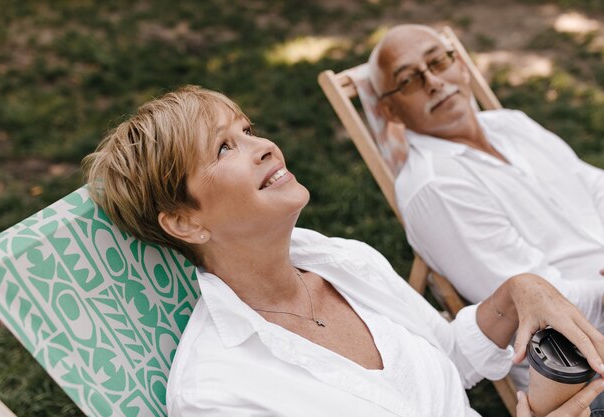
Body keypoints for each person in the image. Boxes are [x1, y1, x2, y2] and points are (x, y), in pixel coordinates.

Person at [83, 85, 604, 417]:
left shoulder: (342, 262)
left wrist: (520, 291)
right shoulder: (218, 392)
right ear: (184, 221)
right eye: (223, 148)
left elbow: (447, 357)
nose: (263, 146)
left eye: (247, 130)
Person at [368, 24, 604, 390]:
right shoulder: (435, 188)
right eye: (409, 80)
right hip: (585, 363)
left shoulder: (511, 124)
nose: (433, 81)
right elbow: (542, 307)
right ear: (390, 110)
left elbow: (595, 185)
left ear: (460, 64)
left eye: (437, 62)